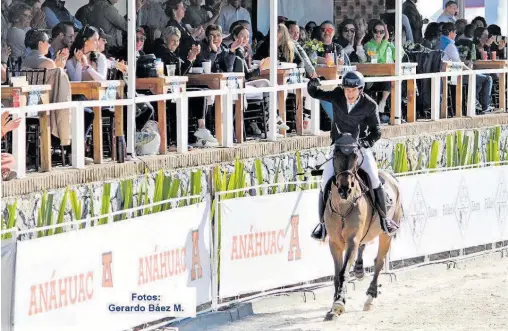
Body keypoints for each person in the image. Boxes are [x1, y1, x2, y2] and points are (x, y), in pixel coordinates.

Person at [306, 71, 400, 241]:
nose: (349, 94)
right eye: (346, 90)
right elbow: (315, 93)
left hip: (360, 148)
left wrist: (366, 142)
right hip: (338, 148)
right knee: (324, 181)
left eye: (353, 90)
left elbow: (376, 132)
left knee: (374, 179)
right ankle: (322, 225)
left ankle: (385, 220)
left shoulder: (369, 105)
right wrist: (313, 82)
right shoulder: (337, 95)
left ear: (360, 89)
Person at [440, 22, 493, 114]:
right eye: (455, 32)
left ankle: (475, 101)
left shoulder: (439, 42)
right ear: (450, 33)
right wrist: (470, 70)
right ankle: (485, 106)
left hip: (444, 76)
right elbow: (459, 64)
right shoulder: (450, 46)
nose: (456, 34)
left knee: (478, 78)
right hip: (453, 76)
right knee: (487, 79)